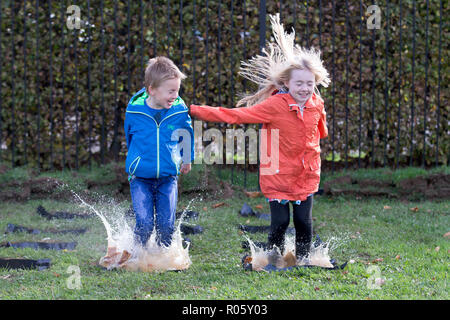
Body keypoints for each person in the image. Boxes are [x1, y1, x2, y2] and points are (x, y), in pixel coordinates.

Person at [189, 14, 330, 263]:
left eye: (310, 83)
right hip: (277, 173)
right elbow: (237, 116)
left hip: (306, 173)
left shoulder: (316, 104)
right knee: (280, 221)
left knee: (303, 221)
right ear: (287, 82)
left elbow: (321, 129)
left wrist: (315, 141)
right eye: (299, 83)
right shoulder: (275, 105)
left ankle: (304, 258)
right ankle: (272, 258)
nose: (305, 89)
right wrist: (196, 110)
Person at [124, 56, 194, 248]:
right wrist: (135, 160)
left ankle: (164, 255)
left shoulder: (178, 111)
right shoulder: (135, 112)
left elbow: (185, 135)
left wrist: (186, 159)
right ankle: (138, 253)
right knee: (145, 223)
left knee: (166, 225)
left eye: (177, 90)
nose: (175, 95)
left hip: (168, 177)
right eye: (171, 91)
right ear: (152, 90)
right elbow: (130, 138)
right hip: (140, 178)